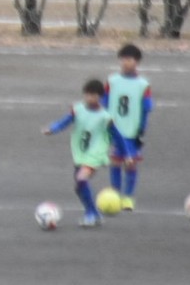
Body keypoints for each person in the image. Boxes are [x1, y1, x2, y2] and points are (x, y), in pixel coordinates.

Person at [43, 78, 115, 228]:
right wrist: (53, 129)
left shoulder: (105, 117)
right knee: (79, 187)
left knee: (81, 179)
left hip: (96, 153)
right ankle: (95, 214)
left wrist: (126, 153)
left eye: (94, 95)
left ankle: (90, 215)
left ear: (100, 97)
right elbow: (65, 121)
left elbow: (117, 135)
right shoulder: (78, 109)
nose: (90, 98)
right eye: (88, 95)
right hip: (81, 153)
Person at [104, 44, 152, 211]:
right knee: (115, 162)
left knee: (130, 164)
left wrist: (142, 127)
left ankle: (128, 197)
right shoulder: (112, 81)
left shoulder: (143, 84)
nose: (125, 62)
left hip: (132, 131)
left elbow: (146, 107)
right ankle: (116, 195)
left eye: (129, 59)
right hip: (113, 129)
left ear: (137, 62)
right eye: (123, 59)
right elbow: (105, 101)